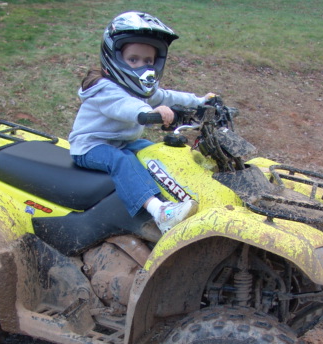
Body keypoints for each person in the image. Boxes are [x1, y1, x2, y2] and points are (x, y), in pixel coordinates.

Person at [69, 11, 215, 234]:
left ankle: (182, 195)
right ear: (115, 57)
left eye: (148, 61)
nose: (141, 66)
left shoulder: (138, 88)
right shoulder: (105, 89)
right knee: (121, 161)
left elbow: (167, 96)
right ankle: (160, 212)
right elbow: (126, 107)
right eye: (133, 59)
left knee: (156, 152)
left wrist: (200, 101)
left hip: (122, 142)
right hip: (90, 146)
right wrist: (149, 111)